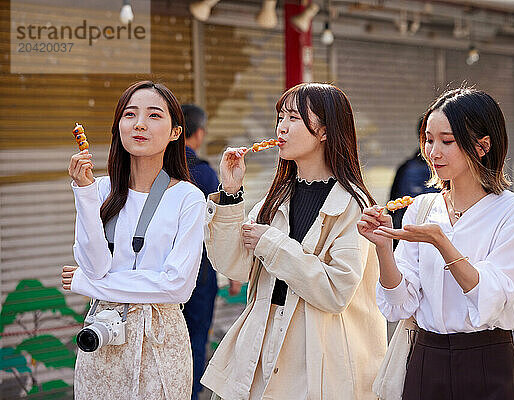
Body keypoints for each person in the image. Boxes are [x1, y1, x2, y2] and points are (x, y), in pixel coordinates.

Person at [200, 83, 387, 399]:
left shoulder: (354, 205)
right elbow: (232, 264)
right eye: (280, 117)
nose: (281, 128)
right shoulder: (276, 198)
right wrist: (231, 195)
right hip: (263, 346)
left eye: (294, 118)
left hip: (318, 354)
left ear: (325, 132)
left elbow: (335, 291)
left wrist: (271, 244)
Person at [358, 88, 514, 400]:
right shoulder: (422, 207)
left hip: (488, 359)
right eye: (429, 140)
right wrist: (382, 247)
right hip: (425, 358)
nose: (433, 151)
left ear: (482, 146)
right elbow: (401, 302)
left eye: (447, 141)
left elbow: (493, 299)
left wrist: (442, 243)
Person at [62, 81, 206, 399]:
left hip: (162, 337)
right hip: (103, 329)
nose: (139, 124)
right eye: (130, 114)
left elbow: (176, 286)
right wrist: (84, 193)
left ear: (175, 132)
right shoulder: (98, 189)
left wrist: (87, 285)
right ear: (119, 126)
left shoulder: (189, 197)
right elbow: (95, 266)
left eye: (154, 115)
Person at [181, 104, 240, 400]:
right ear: (200, 133)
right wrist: (233, 271)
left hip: (159, 271)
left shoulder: (158, 168)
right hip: (200, 272)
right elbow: (221, 223)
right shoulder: (204, 174)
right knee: (195, 337)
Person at [389, 116, 438, 248]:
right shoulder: (406, 169)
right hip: (408, 240)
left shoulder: (406, 168)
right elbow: (394, 209)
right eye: (430, 139)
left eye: (447, 140)